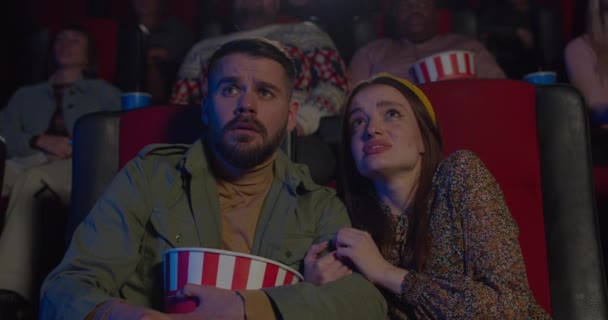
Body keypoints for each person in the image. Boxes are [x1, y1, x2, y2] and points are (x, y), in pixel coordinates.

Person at [39, 38, 387, 319]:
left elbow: (365, 304)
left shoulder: (317, 204)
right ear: (205, 107)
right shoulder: (149, 176)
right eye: (230, 90)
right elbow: (65, 290)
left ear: (291, 115)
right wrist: (129, 316)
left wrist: (248, 307)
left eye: (265, 92)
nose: (246, 106)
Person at [318, 73, 550, 318]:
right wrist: (316, 288)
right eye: (358, 122)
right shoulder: (344, 219)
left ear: (423, 140)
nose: (372, 129)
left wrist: (385, 272)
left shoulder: (459, 174)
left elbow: (510, 307)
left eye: (392, 114)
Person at [0, 24, 121, 316]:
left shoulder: (105, 93)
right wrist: (37, 139)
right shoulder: (25, 95)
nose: (66, 44)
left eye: (75, 39)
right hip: (27, 158)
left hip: (74, 165)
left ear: (88, 52)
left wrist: (74, 145)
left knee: (32, 181)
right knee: (21, 174)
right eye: (61, 39)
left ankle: (8, 290)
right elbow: (4, 132)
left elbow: (117, 135)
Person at [170, 0, 349, 136]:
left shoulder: (306, 33)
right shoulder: (202, 49)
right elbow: (180, 107)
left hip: (295, 137)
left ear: (276, 4)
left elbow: (334, 86)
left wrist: (299, 122)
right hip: (216, 138)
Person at [347, 0, 505, 85]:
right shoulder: (370, 54)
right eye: (405, 6)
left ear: (436, 12)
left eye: (422, 4)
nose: (414, 11)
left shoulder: (470, 48)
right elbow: (350, 104)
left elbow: (501, 91)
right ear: (394, 15)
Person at [114, 0, 193, 105]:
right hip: (125, 96)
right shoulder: (123, 31)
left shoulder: (176, 30)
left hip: (168, 100)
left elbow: (181, 59)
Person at [478, 0, 540, 79]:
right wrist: (516, 32)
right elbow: (485, 29)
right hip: (504, 58)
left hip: (530, 60)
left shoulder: (535, 9)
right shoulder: (494, 6)